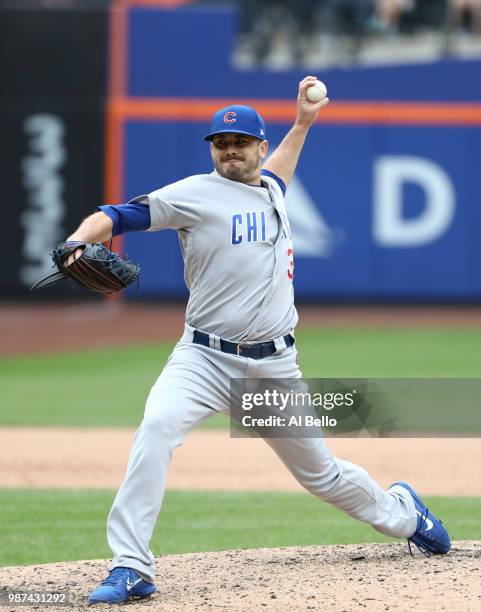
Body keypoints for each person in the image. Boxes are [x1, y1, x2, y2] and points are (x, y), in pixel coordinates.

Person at [64, 76, 450, 605]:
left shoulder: (269, 187)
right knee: (155, 430)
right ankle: (132, 566)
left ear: (258, 148)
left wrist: (304, 123)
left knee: (322, 475)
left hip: (271, 369)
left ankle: (404, 514)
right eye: (221, 144)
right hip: (201, 358)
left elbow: (283, 168)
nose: (230, 151)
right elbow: (119, 215)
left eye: (240, 143)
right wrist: (75, 241)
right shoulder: (191, 195)